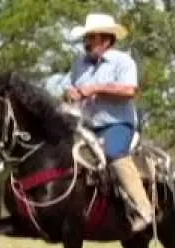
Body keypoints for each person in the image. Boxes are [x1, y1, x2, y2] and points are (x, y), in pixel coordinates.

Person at [64, 13, 153, 232]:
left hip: (116, 124)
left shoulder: (123, 62)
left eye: (91, 38)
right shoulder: (79, 64)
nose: (86, 43)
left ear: (106, 40)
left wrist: (95, 89)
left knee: (114, 154)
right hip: (85, 126)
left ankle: (144, 209)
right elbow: (69, 87)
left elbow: (129, 90)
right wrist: (70, 94)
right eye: (86, 38)